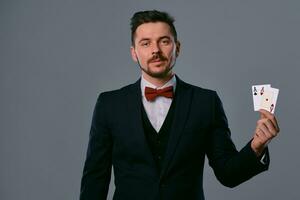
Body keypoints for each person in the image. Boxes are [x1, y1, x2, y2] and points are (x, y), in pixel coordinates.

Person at [80, 10, 280, 200]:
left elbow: (228, 174)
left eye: (164, 41)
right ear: (134, 53)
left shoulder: (206, 102)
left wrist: (256, 147)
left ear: (178, 47)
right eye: (145, 43)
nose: (155, 50)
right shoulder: (109, 104)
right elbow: (95, 180)